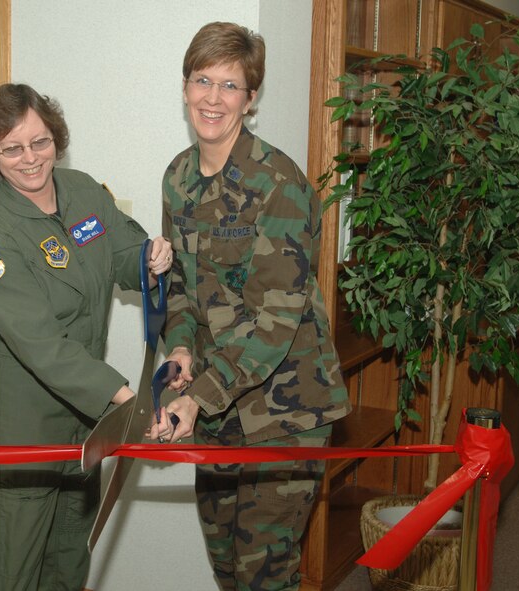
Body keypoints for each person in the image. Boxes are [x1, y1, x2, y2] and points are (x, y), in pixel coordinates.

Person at [149, 22, 351, 591]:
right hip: (215, 409)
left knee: (264, 575)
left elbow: (276, 322)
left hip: (285, 412)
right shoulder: (177, 179)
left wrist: (197, 400)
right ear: (185, 86)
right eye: (202, 80)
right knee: (226, 568)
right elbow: (182, 288)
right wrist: (182, 350)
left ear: (250, 97)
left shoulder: (277, 183)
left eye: (230, 85)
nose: (213, 98)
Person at [0, 83, 172, 591]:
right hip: (26, 426)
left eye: (40, 141)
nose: (30, 159)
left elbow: (120, 255)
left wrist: (149, 260)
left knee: (71, 557)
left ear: (56, 137)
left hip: (84, 420)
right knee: (13, 568)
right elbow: (42, 346)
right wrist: (125, 401)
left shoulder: (83, 192)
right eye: (12, 148)